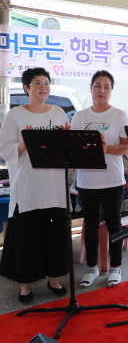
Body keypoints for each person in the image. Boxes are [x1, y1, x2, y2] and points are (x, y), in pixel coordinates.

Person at [0, 67, 71, 303]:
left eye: (46, 83)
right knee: (26, 236)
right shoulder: (15, 116)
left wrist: (68, 139)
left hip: (54, 186)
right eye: (37, 83)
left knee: (55, 235)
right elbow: (4, 149)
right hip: (27, 187)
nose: (43, 87)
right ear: (26, 88)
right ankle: (25, 284)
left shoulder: (60, 112)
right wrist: (22, 145)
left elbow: (65, 148)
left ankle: (53, 279)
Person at [71, 70, 128, 288]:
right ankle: (92, 268)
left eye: (106, 87)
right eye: (97, 86)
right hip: (87, 180)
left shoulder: (119, 114)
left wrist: (106, 148)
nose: (101, 90)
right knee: (91, 224)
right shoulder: (80, 116)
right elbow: (73, 146)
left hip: (113, 179)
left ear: (111, 91)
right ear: (91, 88)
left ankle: (115, 268)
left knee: (115, 224)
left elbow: (127, 146)